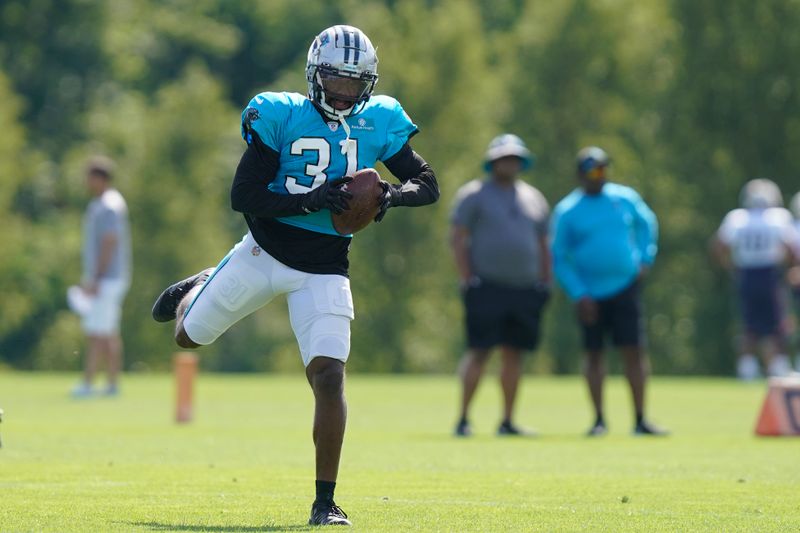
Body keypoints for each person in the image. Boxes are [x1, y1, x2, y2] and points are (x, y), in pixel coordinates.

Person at [150, 25, 438, 527]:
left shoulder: (380, 119)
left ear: (368, 83)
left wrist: (390, 196)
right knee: (187, 337)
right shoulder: (281, 115)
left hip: (326, 266)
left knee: (329, 376)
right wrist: (311, 198)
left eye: (354, 82)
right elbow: (243, 194)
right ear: (314, 75)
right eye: (335, 79)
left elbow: (428, 183)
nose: (344, 91)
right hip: (263, 251)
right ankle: (198, 287)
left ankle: (325, 503)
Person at [550, 146, 666, 436]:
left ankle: (640, 419)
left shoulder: (624, 198)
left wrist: (645, 257)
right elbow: (559, 258)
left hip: (626, 287)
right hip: (590, 295)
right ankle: (599, 419)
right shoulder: (568, 211)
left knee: (634, 352)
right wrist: (579, 293)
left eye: (602, 169)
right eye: (592, 170)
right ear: (580, 175)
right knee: (594, 355)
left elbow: (647, 224)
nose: (598, 176)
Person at [450, 134, 551, 437]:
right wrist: (468, 277)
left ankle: (507, 421)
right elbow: (458, 237)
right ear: (493, 162)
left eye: (514, 158)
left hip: (524, 287)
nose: (510, 163)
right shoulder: (474, 194)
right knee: (479, 351)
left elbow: (544, 243)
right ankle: (464, 418)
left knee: (514, 354)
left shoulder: (533, 197)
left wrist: (546, 279)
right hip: (487, 286)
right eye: (504, 158)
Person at [712, 179, 799, 379]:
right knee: (777, 323)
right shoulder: (778, 218)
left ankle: (747, 369)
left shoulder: (737, 218)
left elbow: (718, 246)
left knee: (748, 325)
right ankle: (778, 367)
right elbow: (791, 248)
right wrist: (789, 266)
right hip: (769, 274)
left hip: (747, 274)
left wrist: (731, 267)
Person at [69, 156, 131, 397]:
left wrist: (96, 277)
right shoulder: (101, 204)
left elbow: (109, 241)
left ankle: (89, 383)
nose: (87, 182)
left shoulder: (109, 205)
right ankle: (111, 384)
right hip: (106, 277)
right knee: (106, 332)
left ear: (100, 178)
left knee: (98, 332)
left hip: (108, 278)